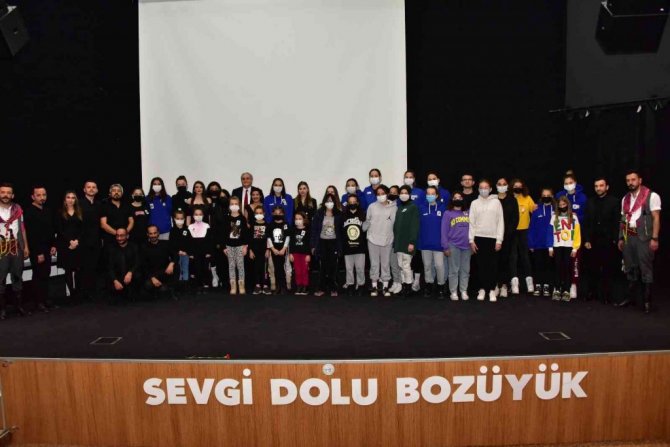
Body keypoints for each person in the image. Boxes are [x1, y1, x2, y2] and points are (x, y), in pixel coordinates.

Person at [615, 170, 661, 313]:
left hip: (644, 237)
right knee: (630, 267)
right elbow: (623, 219)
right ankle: (631, 298)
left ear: (640, 180)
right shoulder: (625, 199)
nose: (630, 183)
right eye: (628, 180)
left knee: (645, 268)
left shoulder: (651, 195)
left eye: (633, 179)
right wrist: (621, 237)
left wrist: (655, 238)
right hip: (629, 236)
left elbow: (656, 218)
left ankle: (647, 302)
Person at [583, 177, 620, 303]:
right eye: (596, 186)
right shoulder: (590, 202)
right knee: (592, 267)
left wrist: (615, 240)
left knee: (608, 269)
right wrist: (587, 239)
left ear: (607, 187)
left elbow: (617, 223)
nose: (598, 188)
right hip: (592, 240)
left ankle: (606, 295)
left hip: (608, 240)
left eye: (601, 185)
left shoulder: (614, 202)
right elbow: (586, 222)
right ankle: (591, 292)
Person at [469, 179, 504, 302]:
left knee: (492, 265)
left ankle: (492, 290)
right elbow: (471, 223)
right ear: (478, 189)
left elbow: (500, 222)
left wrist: (499, 240)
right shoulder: (474, 203)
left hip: (493, 238)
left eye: (486, 187)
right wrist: (471, 240)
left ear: (490, 189)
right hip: (478, 238)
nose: (484, 190)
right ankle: (482, 289)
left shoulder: (496, 202)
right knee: (481, 265)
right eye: (481, 187)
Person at [24, 185, 57, 312]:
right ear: (33, 197)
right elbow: (31, 235)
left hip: (47, 248)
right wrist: (38, 253)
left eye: (44, 195)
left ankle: (45, 299)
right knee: (38, 275)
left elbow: (51, 230)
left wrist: (53, 245)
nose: (42, 197)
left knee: (46, 274)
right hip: (37, 250)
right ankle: (39, 302)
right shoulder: (29, 212)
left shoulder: (47, 210)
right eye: (38, 195)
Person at [0, 182, 30, 319]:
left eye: (8, 193)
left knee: (17, 276)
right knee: (1, 278)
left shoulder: (17, 209)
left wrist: (26, 246)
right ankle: (2, 310)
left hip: (17, 247)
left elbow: (22, 228)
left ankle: (18, 306)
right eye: (3, 192)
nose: (5, 195)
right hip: (1, 249)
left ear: (12, 195)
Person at [556, 172, 587, 299]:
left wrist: (575, 217)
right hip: (562, 236)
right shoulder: (559, 196)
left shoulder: (582, 197)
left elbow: (586, 215)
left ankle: (574, 284)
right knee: (562, 262)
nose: (569, 185)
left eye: (571, 183)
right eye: (566, 183)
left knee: (575, 260)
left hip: (576, 233)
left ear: (575, 183)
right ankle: (561, 285)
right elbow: (555, 210)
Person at [363, 185, 397, 297]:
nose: (380, 196)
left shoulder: (394, 208)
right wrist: (363, 227)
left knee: (385, 264)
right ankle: (374, 286)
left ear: (387, 194)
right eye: (378, 194)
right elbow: (367, 221)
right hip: (373, 239)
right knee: (374, 263)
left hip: (387, 239)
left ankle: (385, 286)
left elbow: (395, 224)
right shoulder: (371, 207)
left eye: (383, 193)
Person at [549, 196, 581, 302]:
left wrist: (575, 248)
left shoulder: (574, 217)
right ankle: (557, 289)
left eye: (564, 204)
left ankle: (567, 290)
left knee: (567, 267)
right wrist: (550, 247)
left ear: (568, 205)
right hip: (557, 245)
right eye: (560, 205)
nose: (562, 206)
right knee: (557, 267)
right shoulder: (554, 217)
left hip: (569, 246)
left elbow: (577, 233)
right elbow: (549, 232)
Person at [311, 194, 343, 297]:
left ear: (334, 202)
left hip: (334, 243)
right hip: (322, 243)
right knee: (323, 267)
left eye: (331, 201)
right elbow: (314, 230)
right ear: (324, 202)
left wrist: (340, 247)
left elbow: (341, 231)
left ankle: (333, 288)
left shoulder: (339, 214)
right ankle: (321, 288)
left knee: (333, 267)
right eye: (328, 201)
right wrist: (313, 246)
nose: (330, 203)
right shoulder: (319, 214)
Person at [441, 192, 471, 301]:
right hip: (453, 245)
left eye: (460, 197)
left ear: (463, 199)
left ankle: (463, 290)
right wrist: (445, 246)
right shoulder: (448, 213)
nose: (457, 199)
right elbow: (444, 230)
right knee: (454, 270)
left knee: (465, 269)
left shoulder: (468, 212)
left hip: (467, 245)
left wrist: (472, 243)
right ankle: (453, 291)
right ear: (452, 200)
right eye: (455, 198)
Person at [418, 186, 447, 298]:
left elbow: (446, 226)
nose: (430, 195)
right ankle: (428, 285)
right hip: (425, 243)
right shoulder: (421, 207)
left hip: (439, 243)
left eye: (432, 194)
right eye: (428, 193)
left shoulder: (443, 208)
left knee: (439, 266)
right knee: (427, 266)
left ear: (437, 195)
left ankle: (441, 286)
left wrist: (445, 242)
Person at [56, 191, 83, 303]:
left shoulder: (79, 212)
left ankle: (77, 293)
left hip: (78, 244)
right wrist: (70, 242)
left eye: (73, 198)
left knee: (77, 269)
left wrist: (77, 241)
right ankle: (71, 294)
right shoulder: (59, 213)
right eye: (68, 197)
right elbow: (59, 230)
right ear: (64, 200)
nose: (71, 200)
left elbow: (82, 229)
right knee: (68, 270)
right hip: (65, 245)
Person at [528, 189, 555, 298]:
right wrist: (531, 243)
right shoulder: (536, 210)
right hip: (538, 244)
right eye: (544, 195)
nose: (546, 197)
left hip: (551, 244)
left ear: (552, 196)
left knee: (549, 266)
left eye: (548, 195)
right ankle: (538, 285)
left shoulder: (556, 210)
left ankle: (547, 286)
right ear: (541, 196)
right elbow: (532, 227)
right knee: (538, 265)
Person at [495, 178, 519, 298]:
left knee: (505, 261)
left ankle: (504, 285)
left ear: (507, 186)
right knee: (495, 261)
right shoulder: (493, 199)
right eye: (499, 184)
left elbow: (515, 218)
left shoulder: (512, 200)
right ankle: (495, 285)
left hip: (508, 236)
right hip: (493, 236)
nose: (502, 186)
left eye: (504, 184)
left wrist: (507, 233)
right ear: (496, 186)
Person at [510, 178, 534, 295]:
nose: (518, 188)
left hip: (524, 231)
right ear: (512, 187)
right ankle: (514, 282)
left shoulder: (527, 198)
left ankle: (529, 281)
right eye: (516, 186)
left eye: (520, 186)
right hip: (512, 231)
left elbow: (535, 210)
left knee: (525, 256)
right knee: (513, 257)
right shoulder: (510, 199)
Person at [79, 180, 102, 300]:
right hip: (83, 242)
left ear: (97, 190)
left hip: (96, 241)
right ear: (84, 190)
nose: (91, 189)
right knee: (84, 268)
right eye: (89, 187)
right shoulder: (79, 204)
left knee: (94, 267)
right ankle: (83, 293)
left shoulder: (99, 204)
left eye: (94, 187)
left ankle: (93, 292)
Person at [141, 225, 176, 299]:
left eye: (155, 233)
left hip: (165, 273)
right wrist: (152, 278)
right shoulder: (144, 247)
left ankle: (164, 289)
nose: (153, 235)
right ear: (147, 234)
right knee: (148, 285)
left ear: (158, 233)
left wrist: (171, 264)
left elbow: (175, 255)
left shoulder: (166, 243)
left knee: (163, 290)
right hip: (152, 274)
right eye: (151, 233)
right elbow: (143, 265)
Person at [223, 196, 249, 295]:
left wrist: (245, 246)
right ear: (229, 206)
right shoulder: (226, 218)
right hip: (229, 246)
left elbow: (245, 233)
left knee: (240, 265)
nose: (234, 206)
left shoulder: (242, 218)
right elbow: (223, 234)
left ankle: (241, 285)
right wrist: (224, 247)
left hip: (240, 245)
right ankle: (233, 285)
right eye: (232, 204)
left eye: (236, 204)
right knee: (231, 265)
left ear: (239, 205)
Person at [107, 228, 141, 302]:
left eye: (122, 236)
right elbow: (110, 267)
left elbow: (137, 263)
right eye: (117, 236)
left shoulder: (134, 247)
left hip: (131, 277)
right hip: (118, 278)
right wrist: (115, 280)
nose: (119, 238)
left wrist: (130, 272)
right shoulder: (112, 248)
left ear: (127, 236)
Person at [342, 193, 366, 295]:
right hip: (347, 246)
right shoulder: (343, 215)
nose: (352, 203)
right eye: (350, 202)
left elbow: (365, 230)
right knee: (349, 269)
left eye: (354, 202)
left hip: (360, 246)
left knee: (360, 268)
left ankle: (361, 285)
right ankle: (350, 284)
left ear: (357, 203)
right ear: (347, 203)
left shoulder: (363, 215)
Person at [208, 181, 229, 290]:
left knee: (225, 260)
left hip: (226, 236)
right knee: (215, 258)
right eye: (221, 197)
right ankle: (216, 277)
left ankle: (226, 280)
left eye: (224, 196)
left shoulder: (229, 208)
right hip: (214, 236)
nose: (222, 198)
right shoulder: (213, 206)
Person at [188, 208, 214, 294]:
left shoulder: (207, 226)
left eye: (200, 214)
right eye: (196, 214)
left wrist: (209, 252)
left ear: (203, 215)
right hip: (195, 251)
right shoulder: (190, 227)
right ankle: (199, 285)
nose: (198, 216)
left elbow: (209, 240)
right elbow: (189, 242)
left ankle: (206, 284)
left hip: (205, 251)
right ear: (193, 216)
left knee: (205, 268)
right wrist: (190, 253)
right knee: (197, 268)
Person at [100, 184, 134, 250]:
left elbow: (131, 221)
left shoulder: (127, 205)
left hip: (126, 241)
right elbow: (103, 224)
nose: (116, 192)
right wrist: (118, 235)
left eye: (119, 191)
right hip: (110, 240)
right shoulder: (104, 206)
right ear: (110, 193)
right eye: (114, 190)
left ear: (122, 193)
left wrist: (124, 234)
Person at [267, 206, 290, 295]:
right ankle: (278, 286)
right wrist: (273, 249)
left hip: (283, 249)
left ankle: (284, 286)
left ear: (283, 214)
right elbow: (269, 238)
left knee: (283, 267)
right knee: (276, 268)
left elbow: (287, 237)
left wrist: (284, 248)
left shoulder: (285, 224)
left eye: (280, 213)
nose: (278, 215)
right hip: (274, 250)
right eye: (276, 213)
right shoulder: (271, 224)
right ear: (272, 214)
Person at [248, 204, 270, 295]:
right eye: (257, 213)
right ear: (254, 214)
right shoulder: (252, 225)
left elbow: (269, 238)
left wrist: (268, 249)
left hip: (264, 250)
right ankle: (257, 285)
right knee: (256, 268)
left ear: (264, 214)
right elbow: (249, 238)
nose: (259, 214)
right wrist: (250, 250)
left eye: (260, 213)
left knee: (264, 268)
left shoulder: (267, 225)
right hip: (255, 250)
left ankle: (265, 285)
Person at [169, 210, 191, 295]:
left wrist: (186, 251)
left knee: (185, 269)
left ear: (184, 219)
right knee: (178, 269)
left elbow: (189, 242)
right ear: (174, 219)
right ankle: (179, 286)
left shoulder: (187, 230)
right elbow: (171, 244)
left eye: (181, 218)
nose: (180, 220)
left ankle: (185, 285)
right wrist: (178, 251)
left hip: (185, 254)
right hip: (176, 254)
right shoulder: (172, 230)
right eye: (178, 218)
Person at [290, 211, 311, 295]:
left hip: (305, 254)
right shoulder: (293, 230)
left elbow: (309, 244)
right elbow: (291, 243)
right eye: (296, 219)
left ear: (304, 219)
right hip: (296, 254)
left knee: (304, 270)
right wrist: (291, 253)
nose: (298, 220)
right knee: (297, 271)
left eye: (300, 219)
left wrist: (308, 254)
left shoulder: (307, 230)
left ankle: (305, 286)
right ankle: (299, 286)